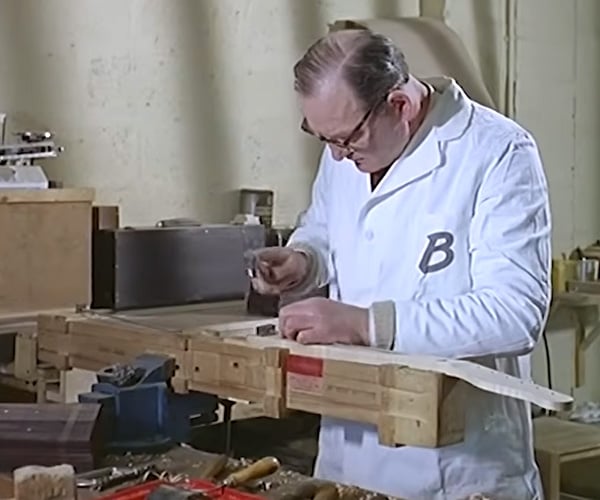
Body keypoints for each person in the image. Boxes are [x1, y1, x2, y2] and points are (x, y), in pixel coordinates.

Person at [250, 28, 551, 500]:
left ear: (400, 105)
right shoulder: (347, 149)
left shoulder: (497, 153)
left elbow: (514, 315)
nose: (337, 155)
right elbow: (325, 227)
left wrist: (367, 324)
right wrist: (304, 260)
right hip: (349, 451)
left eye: (346, 139)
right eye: (323, 139)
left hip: (455, 468)